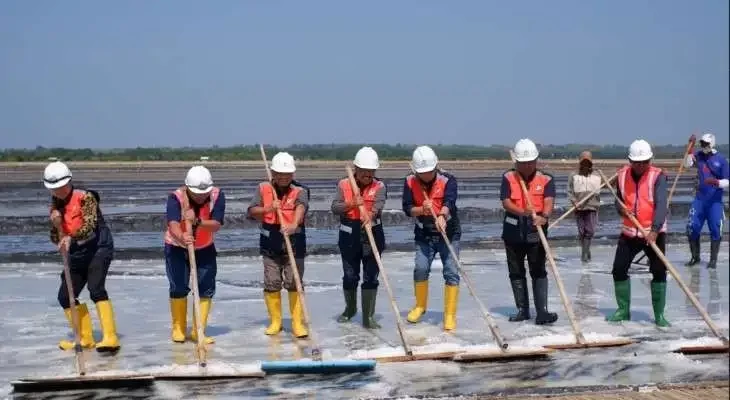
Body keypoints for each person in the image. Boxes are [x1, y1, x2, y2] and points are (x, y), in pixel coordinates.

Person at [44, 161, 120, 353]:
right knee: (65, 296)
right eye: (54, 188)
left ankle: (110, 337)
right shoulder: (55, 207)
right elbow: (56, 238)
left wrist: (70, 237)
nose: (58, 191)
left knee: (96, 289)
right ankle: (84, 337)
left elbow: (89, 227)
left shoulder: (86, 198)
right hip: (77, 252)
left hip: (98, 248)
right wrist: (56, 225)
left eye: (60, 187)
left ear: (68, 182)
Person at [606, 139, 670, 327]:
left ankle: (659, 315)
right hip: (629, 232)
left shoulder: (658, 177)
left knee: (659, 271)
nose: (641, 165)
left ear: (650, 160)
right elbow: (618, 200)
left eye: (645, 162)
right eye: (637, 162)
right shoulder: (622, 175)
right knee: (618, 269)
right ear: (630, 161)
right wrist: (621, 209)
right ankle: (623, 311)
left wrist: (655, 230)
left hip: (653, 232)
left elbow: (661, 205)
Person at [247, 152, 310, 338]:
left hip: (295, 241)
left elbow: (301, 207)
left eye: (287, 174)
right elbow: (251, 212)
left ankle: (297, 323)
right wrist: (268, 209)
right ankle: (276, 322)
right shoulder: (263, 188)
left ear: (293, 174)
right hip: (270, 243)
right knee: (272, 282)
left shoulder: (301, 191)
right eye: (280, 174)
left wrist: (293, 225)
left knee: (293, 281)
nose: (283, 178)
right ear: (273, 173)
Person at [164, 165, 225, 344]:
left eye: (203, 193)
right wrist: (182, 236)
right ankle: (178, 329)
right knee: (178, 286)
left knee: (206, 287)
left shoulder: (216, 195)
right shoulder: (176, 197)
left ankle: (199, 330)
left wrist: (197, 221)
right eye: (196, 193)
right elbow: (173, 223)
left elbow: (216, 224)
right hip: (176, 247)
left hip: (205, 247)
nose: (200, 196)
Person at [402, 145, 461, 331]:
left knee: (451, 271)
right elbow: (407, 208)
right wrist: (422, 210)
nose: (426, 175)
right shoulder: (410, 181)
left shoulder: (448, 180)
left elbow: (449, 201)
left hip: (448, 233)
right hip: (424, 235)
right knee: (421, 268)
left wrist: (442, 216)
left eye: (429, 171)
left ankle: (450, 315)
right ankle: (420, 306)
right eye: (423, 172)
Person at [500, 139, 559, 325]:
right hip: (513, 231)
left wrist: (544, 217)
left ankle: (542, 311)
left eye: (530, 162)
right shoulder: (508, 177)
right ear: (516, 162)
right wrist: (522, 212)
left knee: (538, 270)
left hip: (536, 231)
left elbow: (549, 201)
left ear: (536, 161)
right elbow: (506, 201)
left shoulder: (546, 178)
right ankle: (522, 310)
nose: (526, 166)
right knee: (516, 271)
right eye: (523, 163)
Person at [331, 147, 387, 329]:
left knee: (370, 277)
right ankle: (350, 309)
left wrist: (370, 215)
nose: (368, 175)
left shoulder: (380, 186)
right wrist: (351, 204)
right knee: (350, 276)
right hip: (349, 236)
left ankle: (368, 316)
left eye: (372, 171)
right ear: (356, 169)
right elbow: (335, 208)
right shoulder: (344, 184)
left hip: (372, 235)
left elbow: (378, 206)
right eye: (365, 171)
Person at [683, 132, 728, 269]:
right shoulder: (699, 156)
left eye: (706, 144)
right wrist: (689, 148)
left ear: (712, 144)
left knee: (715, 228)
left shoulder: (721, 160)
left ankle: (713, 260)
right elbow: (687, 164)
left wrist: (716, 182)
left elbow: (727, 181)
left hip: (714, 202)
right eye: (701, 143)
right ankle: (695, 257)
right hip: (699, 200)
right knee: (692, 227)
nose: (703, 146)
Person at [567, 151, 602, 262]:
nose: (586, 165)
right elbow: (569, 191)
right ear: (580, 162)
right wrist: (574, 202)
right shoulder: (573, 175)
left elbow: (609, 184)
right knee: (582, 232)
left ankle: (584, 255)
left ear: (591, 162)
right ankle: (586, 251)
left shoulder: (597, 174)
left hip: (592, 206)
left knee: (590, 231)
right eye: (584, 162)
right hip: (579, 207)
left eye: (588, 162)